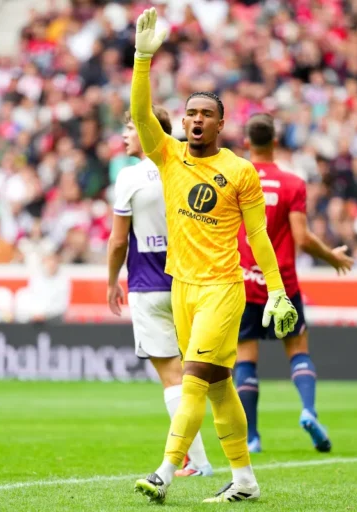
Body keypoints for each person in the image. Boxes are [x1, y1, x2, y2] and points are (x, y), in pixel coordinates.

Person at [130, 8, 298, 504]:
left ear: (221, 123)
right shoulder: (168, 155)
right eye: (191, 114)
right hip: (181, 286)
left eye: (206, 114)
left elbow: (259, 236)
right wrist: (142, 60)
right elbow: (141, 116)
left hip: (223, 289)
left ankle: (164, 470)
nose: (197, 120)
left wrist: (277, 290)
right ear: (183, 121)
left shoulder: (241, 171)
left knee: (194, 378)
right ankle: (245, 480)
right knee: (221, 385)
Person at [235, 114, 354, 455]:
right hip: (282, 284)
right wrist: (331, 256)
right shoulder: (292, 183)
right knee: (298, 352)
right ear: (275, 142)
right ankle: (308, 410)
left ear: (246, 142)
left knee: (245, 359)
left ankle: (252, 437)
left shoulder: (235, 178)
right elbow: (301, 238)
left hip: (243, 282)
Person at [107, 108, 213, 478]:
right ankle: (207, 459)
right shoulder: (186, 167)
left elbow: (119, 240)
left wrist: (110, 282)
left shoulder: (131, 177)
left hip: (149, 287)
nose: (124, 134)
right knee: (194, 374)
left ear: (150, 131)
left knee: (172, 377)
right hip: (189, 283)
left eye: (131, 126)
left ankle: (198, 462)